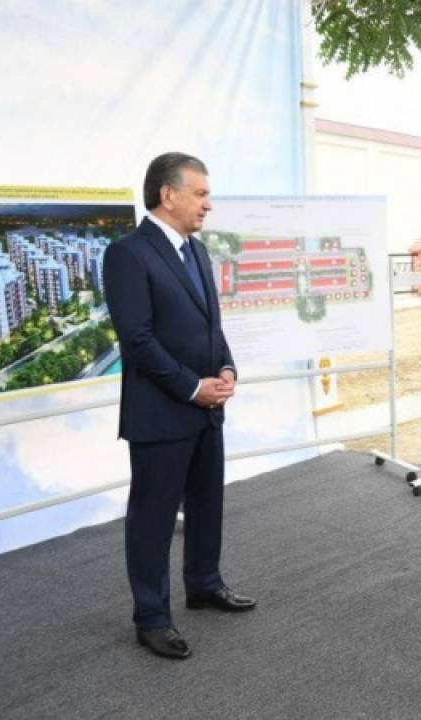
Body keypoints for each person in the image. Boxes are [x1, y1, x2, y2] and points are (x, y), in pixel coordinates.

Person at [104, 152, 256, 660]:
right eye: (201, 193)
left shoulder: (197, 250)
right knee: (153, 517)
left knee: (207, 503)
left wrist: (227, 367)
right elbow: (137, 340)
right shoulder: (128, 254)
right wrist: (192, 387)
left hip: (207, 408)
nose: (208, 205)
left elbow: (212, 325)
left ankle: (204, 585)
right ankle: (151, 618)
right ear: (168, 195)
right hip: (162, 413)